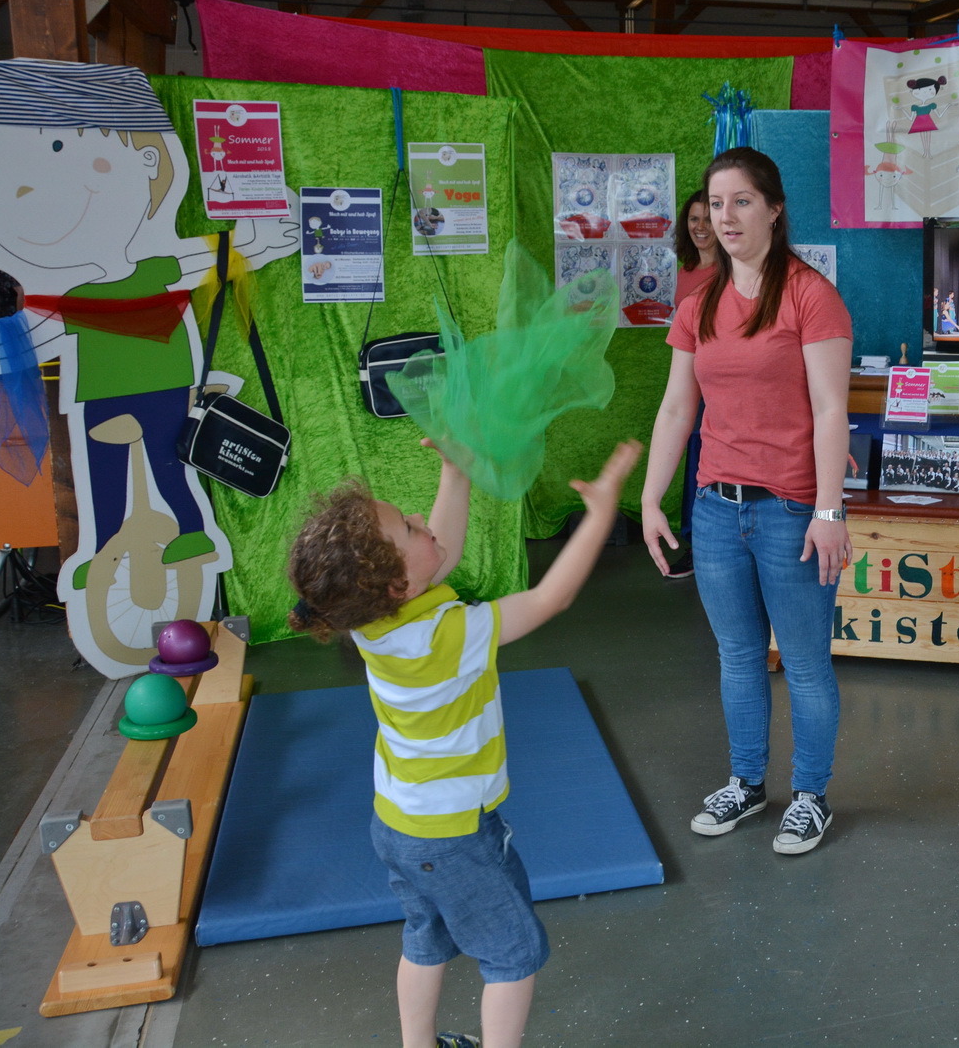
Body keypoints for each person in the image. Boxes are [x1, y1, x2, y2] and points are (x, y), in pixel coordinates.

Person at [287, 436, 642, 1048]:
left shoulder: (371, 619)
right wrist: (600, 515)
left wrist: (455, 474)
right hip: (452, 836)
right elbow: (550, 598)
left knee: (426, 938)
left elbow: (435, 557)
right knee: (512, 955)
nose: (419, 517)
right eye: (408, 526)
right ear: (396, 583)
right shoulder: (447, 635)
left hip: (397, 825)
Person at [640, 146, 853, 856]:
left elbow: (830, 410)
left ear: (774, 208)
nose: (724, 217)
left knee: (805, 662)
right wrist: (651, 499)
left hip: (791, 511)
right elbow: (677, 409)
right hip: (715, 509)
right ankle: (747, 783)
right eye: (715, 203)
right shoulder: (698, 304)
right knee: (737, 657)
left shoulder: (810, 296)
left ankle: (811, 796)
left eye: (741, 201)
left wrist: (829, 511)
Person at [663, 191, 720, 580]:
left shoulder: (732, 272)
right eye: (694, 219)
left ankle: (712, 543)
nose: (701, 227)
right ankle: (696, 543)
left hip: (720, 385)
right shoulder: (685, 271)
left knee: (711, 459)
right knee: (694, 461)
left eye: (708, 219)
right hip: (689, 384)